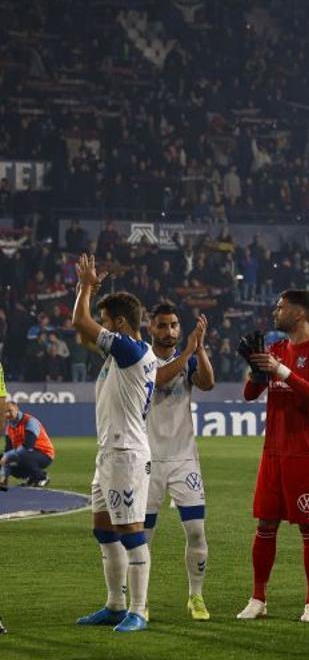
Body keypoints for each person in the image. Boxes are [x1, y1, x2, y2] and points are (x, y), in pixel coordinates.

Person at [237, 290, 309, 623]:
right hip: (273, 453)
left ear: (300, 313)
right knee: (265, 525)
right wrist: (256, 371)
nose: (275, 311)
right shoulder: (276, 350)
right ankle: (257, 598)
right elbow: (250, 394)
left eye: (281, 307)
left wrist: (280, 371)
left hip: (307, 454)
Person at [71, 254, 158, 632]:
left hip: (126, 454)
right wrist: (84, 290)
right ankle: (114, 605)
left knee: (131, 532)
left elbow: (79, 322)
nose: (101, 329)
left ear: (121, 325)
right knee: (104, 530)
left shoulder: (130, 351)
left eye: (107, 323)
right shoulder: (124, 353)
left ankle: (139, 610)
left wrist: (88, 288)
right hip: (109, 452)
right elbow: (82, 329)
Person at [144, 304, 215, 620]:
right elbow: (159, 380)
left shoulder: (187, 358)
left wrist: (200, 350)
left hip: (184, 458)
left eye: (174, 325)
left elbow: (207, 383)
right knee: (143, 536)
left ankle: (196, 597)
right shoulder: (141, 357)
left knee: (196, 531)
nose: (169, 331)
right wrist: (188, 350)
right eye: (162, 326)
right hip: (147, 459)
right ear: (151, 328)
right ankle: (140, 600)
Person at [3, 402, 56, 488]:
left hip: (45, 454)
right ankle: (32, 477)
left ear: (16, 408)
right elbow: (8, 449)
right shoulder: (9, 427)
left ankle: (42, 477)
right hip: (27, 455)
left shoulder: (29, 421)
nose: (8, 414)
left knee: (21, 455)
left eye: (10, 411)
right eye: (5, 412)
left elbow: (28, 445)